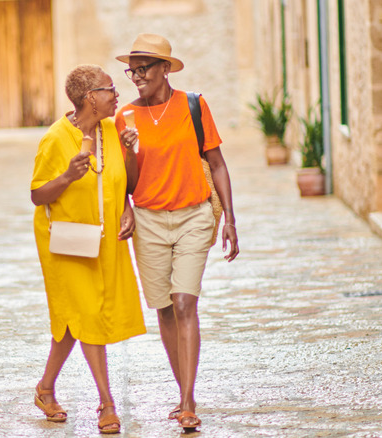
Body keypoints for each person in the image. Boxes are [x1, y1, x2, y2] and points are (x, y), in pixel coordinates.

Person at [114, 34, 240, 432]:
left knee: (185, 301)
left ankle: (187, 400)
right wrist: (129, 153)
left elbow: (217, 163)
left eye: (145, 67)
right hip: (149, 221)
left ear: (166, 69)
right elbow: (129, 182)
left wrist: (231, 219)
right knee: (165, 308)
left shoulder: (193, 105)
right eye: (132, 69)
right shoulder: (126, 119)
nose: (137, 76)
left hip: (193, 216)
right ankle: (182, 387)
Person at [31, 64, 147, 434]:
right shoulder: (55, 139)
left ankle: (45, 388)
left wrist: (129, 165)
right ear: (88, 99)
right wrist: (66, 176)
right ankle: (107, 404)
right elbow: (37, 194)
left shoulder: (112, 130)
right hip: (65, 243)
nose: (117, 93)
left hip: (104, 238)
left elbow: (122, 182)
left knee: (73, 321)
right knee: (90, 317)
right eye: (109, 88)